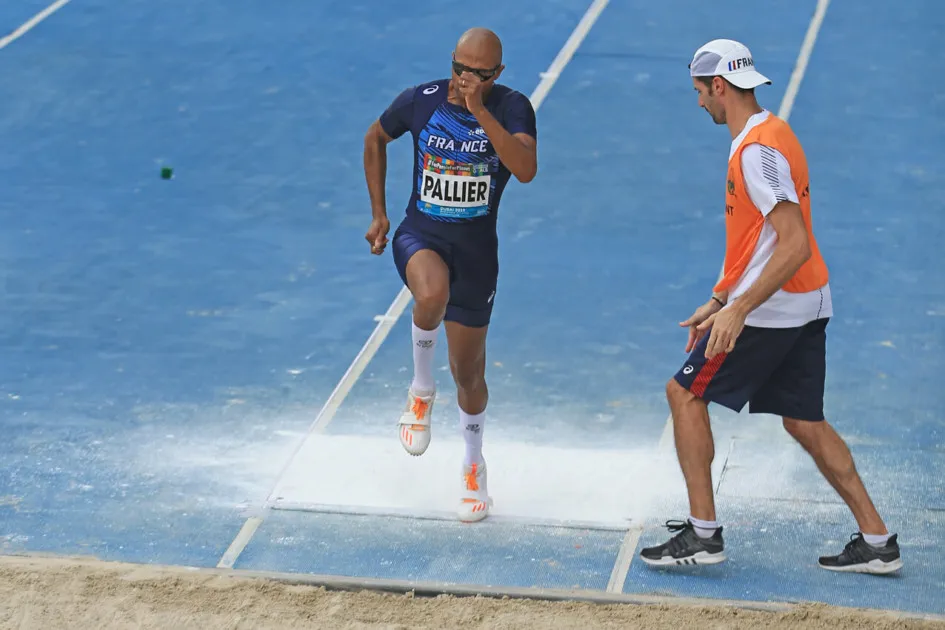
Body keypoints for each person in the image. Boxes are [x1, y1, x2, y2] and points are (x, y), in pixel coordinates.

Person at [638, 39, 902, 574]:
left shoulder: (755, 153)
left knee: (683, 395)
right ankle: (877, 541)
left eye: (699, 92)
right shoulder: (773, 132)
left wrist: (738, 311)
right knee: (804, 421)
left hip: (774, 309)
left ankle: (704, 533)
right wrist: (718, 298)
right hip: (809, 298)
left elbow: (793, 240)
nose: (698, 104)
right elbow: (756, 240)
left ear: (719, 86)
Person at [362, 27, 538, 523]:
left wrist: (480, 111)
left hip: (477, 258)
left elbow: (525, 169)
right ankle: (420, 391)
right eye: (457, 67)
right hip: (421, 237)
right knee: (430, 292)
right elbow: (375, 136)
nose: (462, 80)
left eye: (476, 74)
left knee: (470, 376)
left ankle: (472, 466)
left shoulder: (511, 108)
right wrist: (379, 213)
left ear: (496, 75)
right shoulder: (422, 99)